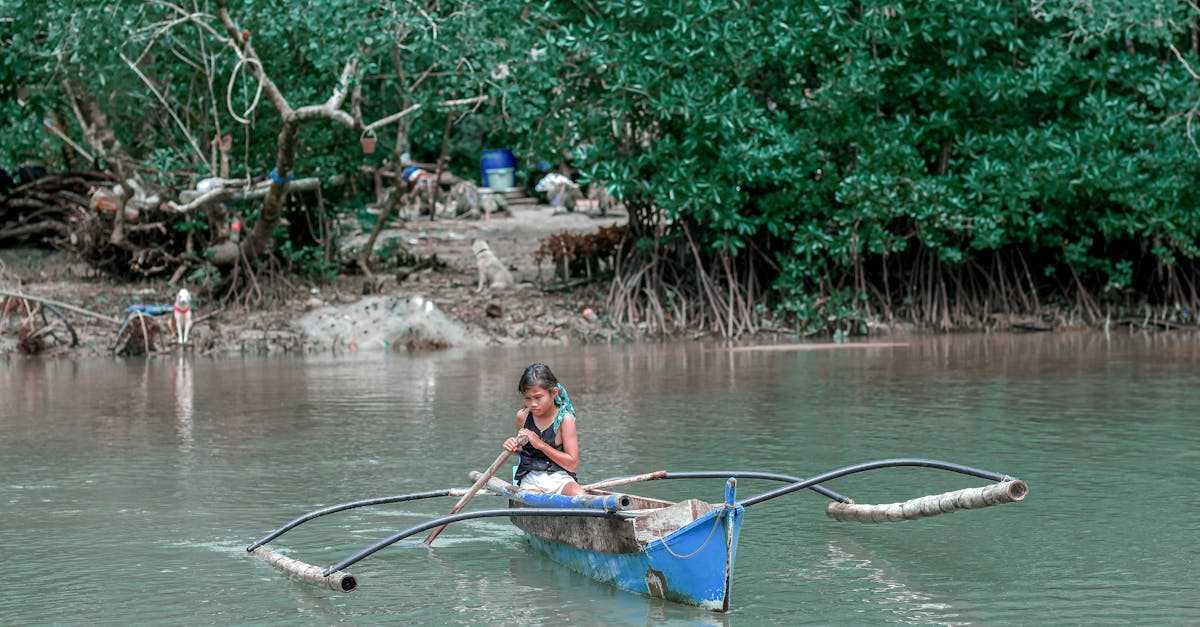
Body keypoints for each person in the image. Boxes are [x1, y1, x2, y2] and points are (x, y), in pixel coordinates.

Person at [503, 363, 583, 496]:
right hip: (530, 479)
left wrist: (541, 445)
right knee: (530, 498)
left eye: (538, 397)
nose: (533, 404)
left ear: (554, 393)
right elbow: (523, 450)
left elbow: (572, 464)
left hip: (560, 478)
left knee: (579, 495)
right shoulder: (522, 416)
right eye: (528, 398)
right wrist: (513, 446)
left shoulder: (565, 419)